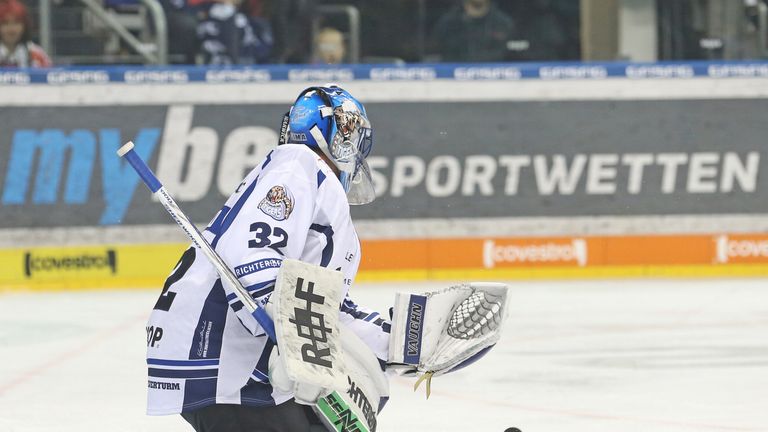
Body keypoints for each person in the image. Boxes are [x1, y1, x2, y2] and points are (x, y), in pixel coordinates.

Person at [145, 85, 387, 431]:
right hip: (225, 360)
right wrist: (298, 341)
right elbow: (252, 255)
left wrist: (397, 343)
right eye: (352, 131)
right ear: (336, 132)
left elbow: (324, 309)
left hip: (221, 360)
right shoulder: (299, 165)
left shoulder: (304, 176)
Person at [430, 0, 517, 62]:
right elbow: (439, 55)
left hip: (497, 84)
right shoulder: (447, 24)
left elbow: (511, 57)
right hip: (454, 83)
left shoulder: (503, 24)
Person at [0, 0, 52, 67]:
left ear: (25, 25)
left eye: (17, 23)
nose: (11, 29)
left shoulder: (37, 55)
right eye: (5, 23)